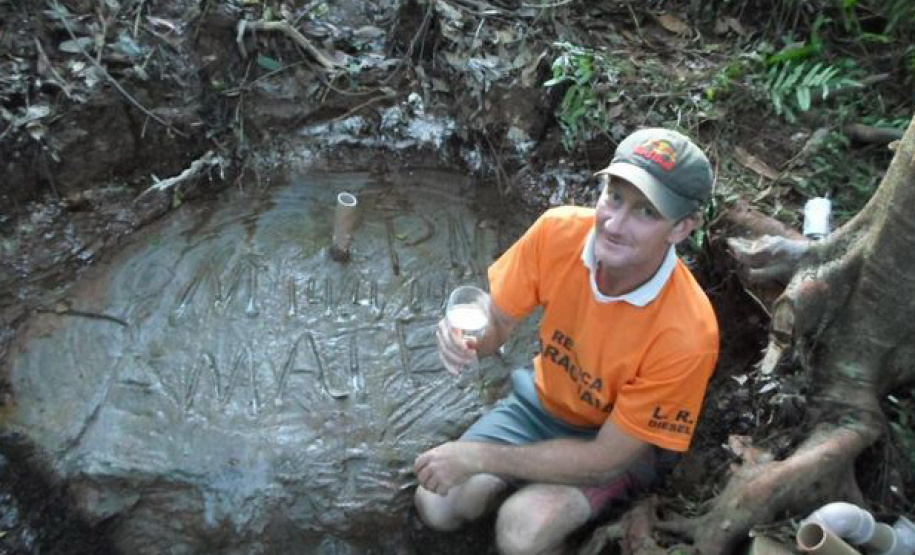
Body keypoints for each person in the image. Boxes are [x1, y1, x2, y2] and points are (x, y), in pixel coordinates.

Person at [413, 128, 721, 555]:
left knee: (520, 533)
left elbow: (605, 460)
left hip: (615, 444)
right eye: (614, 197)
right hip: (542, 405)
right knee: (437, 503)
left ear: (681, 228)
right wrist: (471, 338)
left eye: (645, 212)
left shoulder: (688, 332)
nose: (613, 224)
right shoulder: (557, 232)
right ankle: (519, 489)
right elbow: (498, 321)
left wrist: (479, 458)